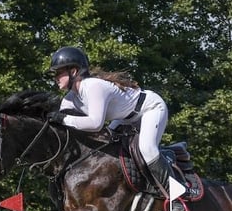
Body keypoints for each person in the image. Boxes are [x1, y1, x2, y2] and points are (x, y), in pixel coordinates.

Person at [47, 46, 175, 199]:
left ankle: (176, 195)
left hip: (150, 109)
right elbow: (63, 123)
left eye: (59, 72)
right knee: (105, 145)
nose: (56, 78)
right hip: (125, 118)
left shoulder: (93, 86)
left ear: (73, 71)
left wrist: (64, 119)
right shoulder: (70, 98)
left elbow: (95, 124)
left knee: (147, 149)